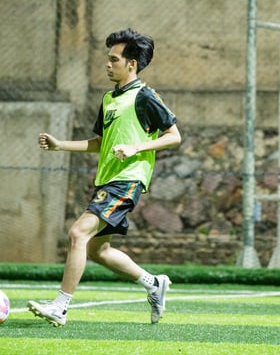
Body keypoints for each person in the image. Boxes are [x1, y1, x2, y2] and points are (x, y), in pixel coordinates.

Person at [28, 28, 182, 327]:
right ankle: (153, 284)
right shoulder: (110, 99)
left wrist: (137, 147)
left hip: (127, 180)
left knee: (77, 234)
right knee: (98, 250)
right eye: (108, 59)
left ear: (131, 64)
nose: (108, 64)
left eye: (114, 59)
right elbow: (100, 143)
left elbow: (173, 136)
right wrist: (61, 145)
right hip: (108, 180)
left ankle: (60, 306)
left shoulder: (145, 96)